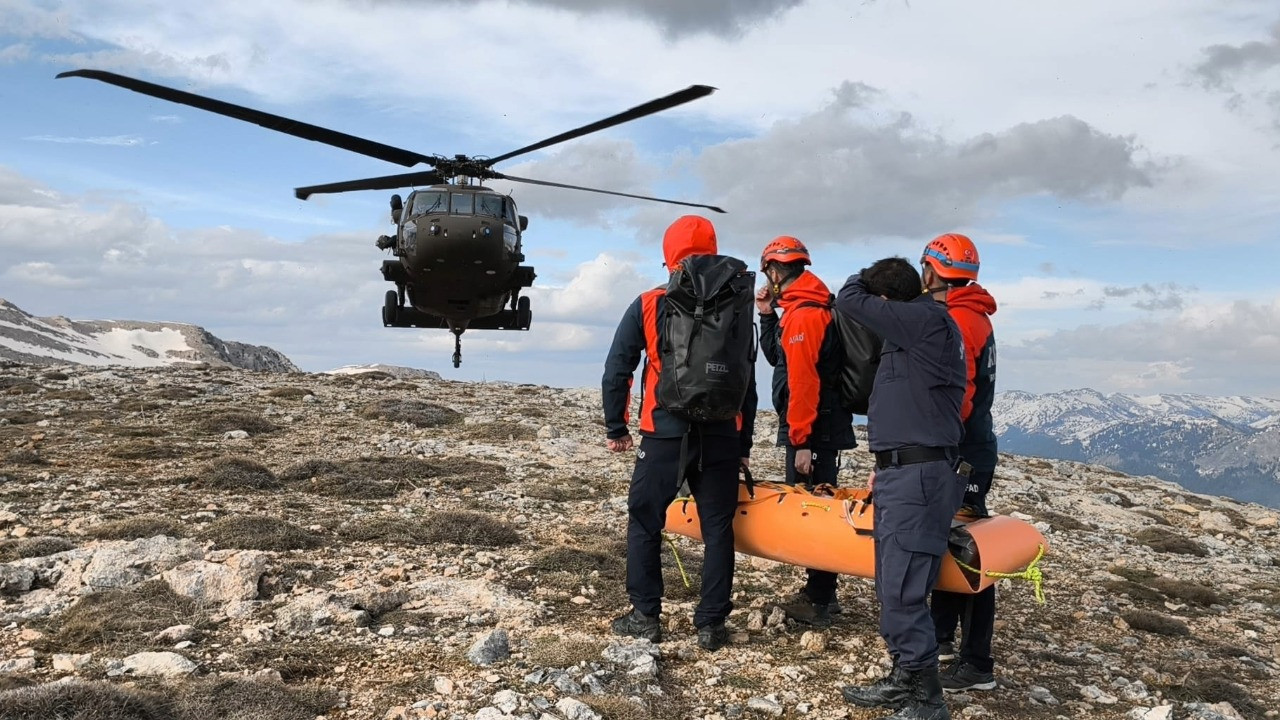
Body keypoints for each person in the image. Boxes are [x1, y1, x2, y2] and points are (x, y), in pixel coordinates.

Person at [601, 215, 757, 652]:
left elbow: (618, 369)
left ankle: (645, 615)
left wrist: (617, 426)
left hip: (664, 432)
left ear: (669, 254)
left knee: (646, 521)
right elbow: (746, 378)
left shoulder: (650, 302)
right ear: (713, 248)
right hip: (723, 433)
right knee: (718, 528)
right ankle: (711, 625)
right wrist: (743, 443)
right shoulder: (738, 304)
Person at [834, 257, 967, 720]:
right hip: (901, 471)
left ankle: (928, 700)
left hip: (919, 477)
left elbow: (848, 298)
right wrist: (887, 462)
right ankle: (903, 678)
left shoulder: (925, 320)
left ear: (888, 302)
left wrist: (860, 277)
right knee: (893, 584)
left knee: (906, 588)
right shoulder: (917, 327)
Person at [755, 236, 856, 627]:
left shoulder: (806, 316)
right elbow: (778, 359)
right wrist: (766, 315)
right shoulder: (797, 311)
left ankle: (819, 599)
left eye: (768, 272)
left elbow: (803, 384)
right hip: (817, 427)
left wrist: (801, 441)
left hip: (815, 430)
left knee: (814, 509)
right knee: (816, 503)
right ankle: (819, 592)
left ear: (777, 271)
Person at [920, 234, 999, 693]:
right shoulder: (972, 315)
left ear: (932, 270)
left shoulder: (960, 322)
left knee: (968, 548)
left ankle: (977, 663)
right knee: (949, 539)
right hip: (971, 448)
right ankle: (941, 637)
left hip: (961, 451)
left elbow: (959, 397)